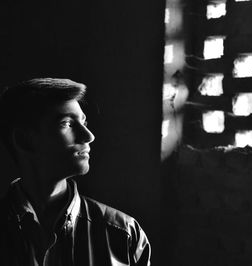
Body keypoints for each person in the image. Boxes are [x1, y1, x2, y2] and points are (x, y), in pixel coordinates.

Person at [0, 78, 151, 265]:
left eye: (83, 122)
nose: (89, 136)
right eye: (67, 124)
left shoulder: (123, 234)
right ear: (24, 140)